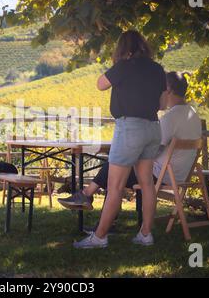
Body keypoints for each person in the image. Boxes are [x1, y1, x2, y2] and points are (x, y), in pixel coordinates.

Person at [59, 72, 202, 241]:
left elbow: (153, 150)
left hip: (162, 174)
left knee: (116, 167)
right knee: (117, 166)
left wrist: (131, 151)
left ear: (168, 89)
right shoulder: (192, 113)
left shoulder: (171, 118)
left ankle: (89, 199)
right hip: (179, 173)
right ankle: (89, 199)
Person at [72, 30, 168, 249]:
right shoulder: (157, 69)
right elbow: (162, 105)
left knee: (114, 186)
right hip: (153, 128)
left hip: (130, 128)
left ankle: (100, 237)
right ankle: (145, 234)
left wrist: (121, 69)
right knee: (146, 184)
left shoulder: (124, 66)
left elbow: (100, 84)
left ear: (122, 49)